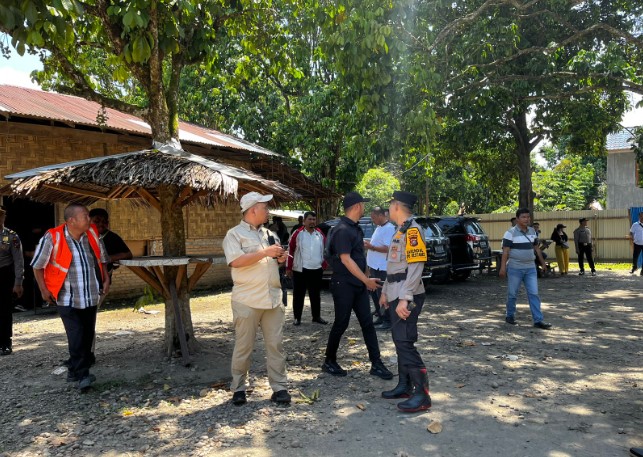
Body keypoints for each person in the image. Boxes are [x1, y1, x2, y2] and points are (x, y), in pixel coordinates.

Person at [31, 204, 110, 391]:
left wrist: (106, 279)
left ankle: (74, 371)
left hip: (90, 295)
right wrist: (43, 290)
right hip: (66, 297)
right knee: (76, 335)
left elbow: (102, 259)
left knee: (87, 335)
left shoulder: (92, 234)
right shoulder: (53, 237)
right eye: (85, 216)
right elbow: (37, 266)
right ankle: (83, 375)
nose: (89, 219)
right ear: (71, 221)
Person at [222, 192, 291, 406]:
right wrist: (265, 253)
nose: (267, 211)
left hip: (272, 299)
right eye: (264, 207)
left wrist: (280, 258)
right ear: (253, 209)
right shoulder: (233, 235)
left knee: (276, 345)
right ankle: (239, 388)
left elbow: (274, 262)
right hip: (247, 300)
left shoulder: (270, 234)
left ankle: (279, 387)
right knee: (244, 346)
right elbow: (236, 262)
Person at [321, 191, 393, 380]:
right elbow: (346, 260)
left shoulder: (355, 228)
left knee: (367, 323)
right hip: (344, 284)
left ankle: (376, 363)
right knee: (341, 323)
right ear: (357, 206)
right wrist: (366, 280)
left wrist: (367, 277)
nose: (364, 208)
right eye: (362, 204)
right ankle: (329, 361)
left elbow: (359, 257)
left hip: (358, 284)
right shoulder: (342, 229)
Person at [379, 191, 431, 413]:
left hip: (407, 294)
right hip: (395, 291)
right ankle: (404, 386)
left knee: (405, 342)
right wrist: (384, 291)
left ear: (397, 206)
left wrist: (405, 297)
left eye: (390, 205)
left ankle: (422, 395)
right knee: (399, 340)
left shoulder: (412, 230)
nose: (388, 209)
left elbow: (416, 266)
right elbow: (393, 268)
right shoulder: (399, 231)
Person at [499, 208, 552, 329]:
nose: (526, 219)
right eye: (523, 217)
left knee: (534, 293)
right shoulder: (510, 233)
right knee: (512, 293)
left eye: (528, 217)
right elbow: (505, 252)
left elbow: (537, 248)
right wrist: (502, 268)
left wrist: (543, 264)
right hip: (515, 268)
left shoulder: (533, 231)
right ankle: (510, 315)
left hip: (530, 268)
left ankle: (538, 320)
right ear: (517, 219)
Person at [286, 211, 328, 326]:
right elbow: (291, 250)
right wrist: (289, 267)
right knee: (299, 294)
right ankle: (297, 318)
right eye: (309, 219)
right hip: (301, 269)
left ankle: (316, 317)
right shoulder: (298, 233)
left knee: (315, 295)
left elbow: (326, 249)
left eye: (314, 219)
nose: (312, 222)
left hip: (317, 269)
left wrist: (324, 264)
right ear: (304, 221)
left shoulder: (319, 234)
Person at [364, 206, 396, 330]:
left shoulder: (389, 228)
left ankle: (388, 321)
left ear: (381, 215)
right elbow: (377, 244)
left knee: (383, 294)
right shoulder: (379, 227)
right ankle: (381, 317)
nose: (372, 220)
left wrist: (371, 247)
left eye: (374, 217)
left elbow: (388, 249)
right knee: (375, 294)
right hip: (374, 266)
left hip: (382, 267)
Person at [0, 207, 24, 355]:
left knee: (3, 311)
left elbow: (18, 260)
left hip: (4, 275)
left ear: (3, 218)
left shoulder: (10, 236)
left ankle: (5, 342)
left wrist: (18, 282)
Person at [88, 208, 133, 279]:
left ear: (108, 223)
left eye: (104, 222)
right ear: (89, 221)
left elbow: (128, 254)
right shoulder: (82, 236)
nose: (101, 224)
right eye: (97, 221)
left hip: (104, 277)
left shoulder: (113, 237)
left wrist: (109, 258)